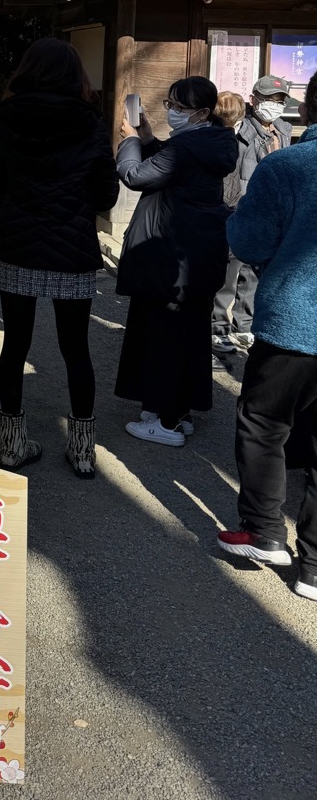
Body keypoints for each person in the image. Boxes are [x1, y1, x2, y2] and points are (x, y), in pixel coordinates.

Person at [0, 38, 119, 478]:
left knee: (14, 344)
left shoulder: (8, 116)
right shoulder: (89, 122)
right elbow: (106, 192)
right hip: (72, 248)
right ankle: (82, 450)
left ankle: (11, 446)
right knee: (76, 348)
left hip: (17, 242)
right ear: (74, 75)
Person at [216, 68, 317, 601]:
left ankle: (263, 532)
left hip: (294, 321)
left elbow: (250, 242)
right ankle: (315, 567)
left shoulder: (289, 166)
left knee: (264, 423)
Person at [115, 76, 238, 446]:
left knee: (164, 335)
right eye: (169, 104)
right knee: (187, 333)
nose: (171, 111)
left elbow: (135, 176)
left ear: (202, 112)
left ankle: (164, 421)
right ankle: (179, 413)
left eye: (179, 108)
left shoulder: (186, 148)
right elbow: (174, 166)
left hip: (170, 255)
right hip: (197, 253)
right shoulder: (213, 142)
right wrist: (150, 140)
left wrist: (131, 141)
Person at [211, 75, 293, 360]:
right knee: (229, 273)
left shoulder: (283, 129)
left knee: (254, 272)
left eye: (280, 100)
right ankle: (218, 327)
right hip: (239, 206)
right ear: (254, 99)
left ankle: (243, 325)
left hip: (270, 212)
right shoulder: (239, 128)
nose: (275, 105)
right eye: (270, 99)